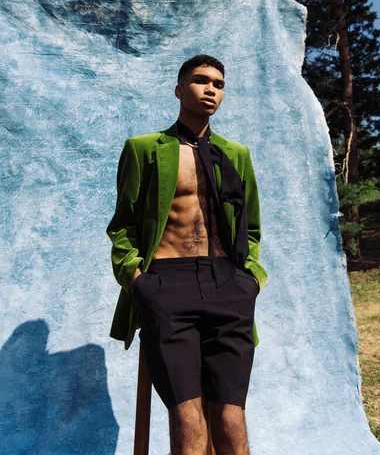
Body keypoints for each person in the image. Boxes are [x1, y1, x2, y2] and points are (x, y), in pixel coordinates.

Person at [107, 54, 268, 455]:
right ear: (180, 90)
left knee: (230, 415)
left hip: (228, 283)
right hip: (168, 281)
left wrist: (250, 279)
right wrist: (139, 279)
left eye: (218, 83)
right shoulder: (144, 149)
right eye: (200, 81)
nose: (211, 89)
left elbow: (251, 228)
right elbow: (123, 225)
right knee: (186, 412)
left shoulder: (236, 154)